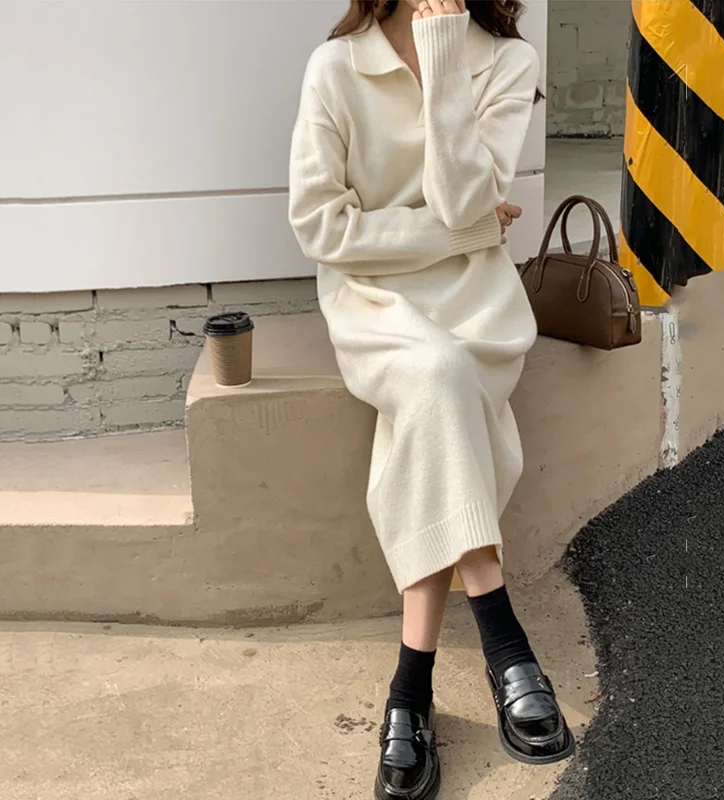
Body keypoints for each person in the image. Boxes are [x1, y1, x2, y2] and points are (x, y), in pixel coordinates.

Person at [288, 1, 575, 796]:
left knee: (439, 385)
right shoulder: (337, 67)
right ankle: (502, 643)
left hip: (476, 301)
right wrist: (463, 234)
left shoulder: (507, 62)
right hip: (375, 301)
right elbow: (321, 228)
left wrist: (445, 59)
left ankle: (410, 690)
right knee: (438, 376)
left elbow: (461, 199)